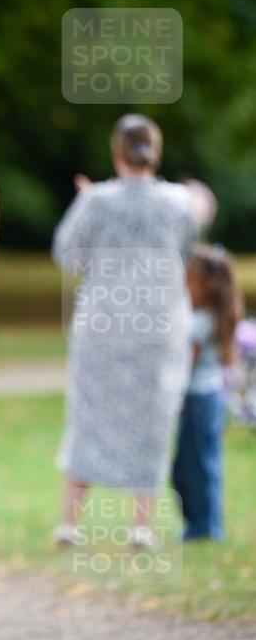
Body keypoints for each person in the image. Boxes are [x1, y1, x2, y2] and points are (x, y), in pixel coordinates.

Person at [52, 114, 197, 549]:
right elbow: (186, 251)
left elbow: (67, 255)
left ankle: (70, 523)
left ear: (116, 152)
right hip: (158, 326)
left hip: (103, 325)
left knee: (88, 418)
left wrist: (88, 200)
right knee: (152, 421)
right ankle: (141, 526)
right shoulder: (179, 202)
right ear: (156, 153)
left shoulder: (97, 201)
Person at [172, 245, 243, 540]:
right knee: (198, 464)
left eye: (189, 280)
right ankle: (202, 523)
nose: (184, 286)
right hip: (208, 399)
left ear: (206, 285)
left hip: (197, 402)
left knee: (193, 467)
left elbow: (185, 364)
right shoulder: (214, 316)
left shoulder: (200, 321)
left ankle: (204, 526)